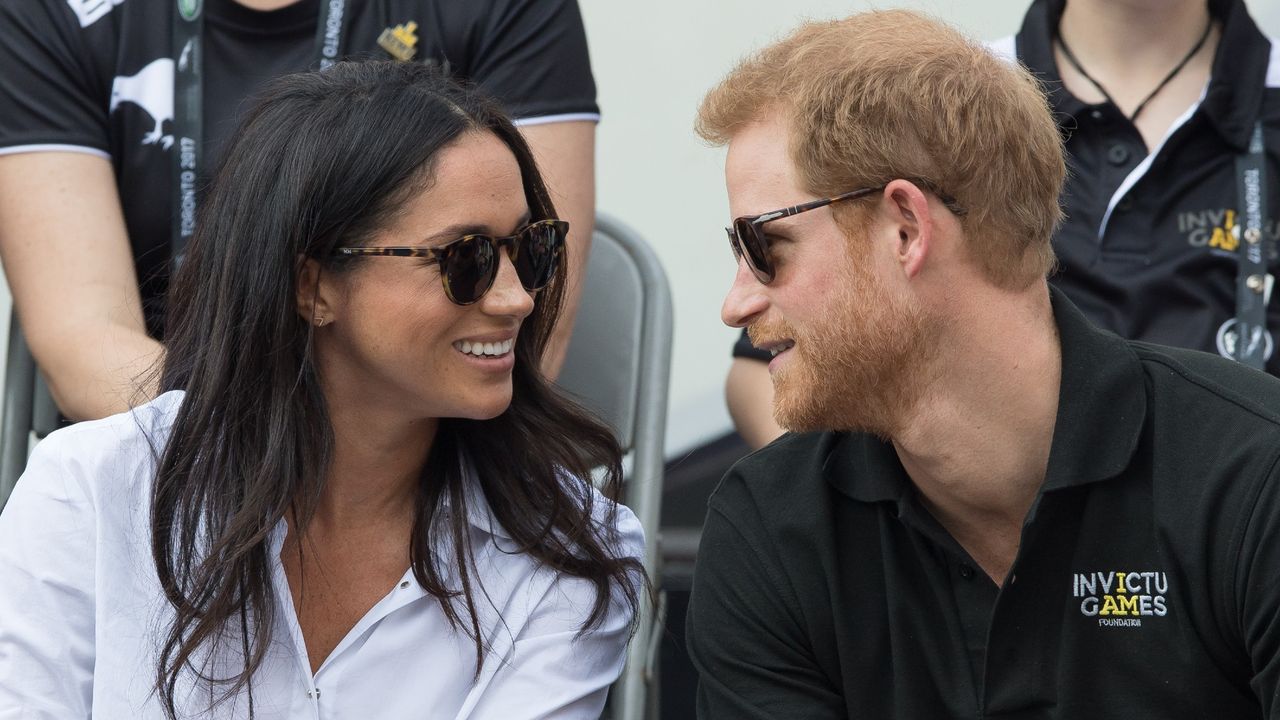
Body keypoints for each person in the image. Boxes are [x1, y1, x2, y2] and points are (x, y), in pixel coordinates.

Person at [0, 61, 644, 718]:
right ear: (313, 287)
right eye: (466, 259)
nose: (516, 299)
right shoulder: (89, 493)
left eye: (532, 251)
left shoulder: (570, 550)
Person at [686, 10, 1280, 718]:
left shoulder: (1252, 482)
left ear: (905, 228)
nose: (735, 304)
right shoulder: (769, 526)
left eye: (765, 246)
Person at [0, 0, 597, 422]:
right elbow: (84, 338)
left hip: (421, 445)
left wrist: (370, 466)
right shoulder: (48, 13)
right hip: (172, 439)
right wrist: (270, 448)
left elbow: (526, 285)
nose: (514, 295)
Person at [725, 0, 1280, 450]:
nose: (735, 305)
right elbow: (763, 369)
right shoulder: (946, 97)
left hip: (1233, 523)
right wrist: (844, 526)